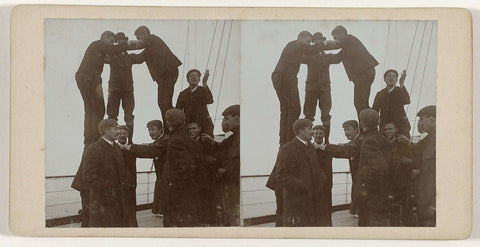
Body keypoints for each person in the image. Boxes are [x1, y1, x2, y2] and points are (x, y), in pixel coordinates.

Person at [272, 31, 340, 146]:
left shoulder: (322, 56)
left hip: (321, 88)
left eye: (310, 42)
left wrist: (344, 44)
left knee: (286, 110)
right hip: (294, 81)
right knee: (296, 110)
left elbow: (338, 57)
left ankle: (284, 141)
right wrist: (326, 43)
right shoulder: (300, 48)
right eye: (309, 42)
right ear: (300, 38)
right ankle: (290, 141)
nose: (309, 44)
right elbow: (310, 51)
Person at [76, 30, 142, 146]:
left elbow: (139, 57)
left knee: (90, 110)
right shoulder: (100, 45)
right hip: (91, 78)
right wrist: (128, 44)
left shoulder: (101, 49)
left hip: (85, 78)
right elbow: (112, 50)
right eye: (112, 41)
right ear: (104, 38)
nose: (112, 44)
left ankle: (89, 140)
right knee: (98, 110)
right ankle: (95, 139)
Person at [275, 118, 328, 226]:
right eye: (310, 129)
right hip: (297, 202)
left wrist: (322, 180)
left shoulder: (311, 148)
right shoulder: (287, 149)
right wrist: (302, 186)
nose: (313, 133)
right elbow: (281, 176)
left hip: (313, 201)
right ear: (300, 131)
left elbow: (317, 169)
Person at [81, 119, 134, 227]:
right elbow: (88, 176)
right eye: (116, 129)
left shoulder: (116, 147)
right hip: (103, 201)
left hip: (119, 200)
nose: (119, 132)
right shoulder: (94, 149)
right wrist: (110, 187)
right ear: (106, 131)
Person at [134, 25, 182, 128]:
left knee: (164, 102)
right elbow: (139, 58)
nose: (138, 40)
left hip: (167, 72)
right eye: (137, 38)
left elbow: (140, 55)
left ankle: (172, 127)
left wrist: (124, 47)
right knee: (163, 102)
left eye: (139, 37)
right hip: (166, 74)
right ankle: (170, 127)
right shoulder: (150, 46)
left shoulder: (153, 40)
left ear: (145, 33)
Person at [118, 120, 169, 216]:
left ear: (161, 130)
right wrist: (147, 144)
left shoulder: (164, 141)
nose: (150, 133)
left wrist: (128, 148)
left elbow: (152, 150)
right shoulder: (162, 140)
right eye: (149, 130)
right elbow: (155, 146)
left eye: (153, 130)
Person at [201, 105, 241, 226]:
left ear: (237, 118)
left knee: (229, 214)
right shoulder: (234, 136)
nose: (224, 122)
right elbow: (224, 150)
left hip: (231, 183)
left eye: (226, 118)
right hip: (229, 182)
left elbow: (233, 158)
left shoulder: (239, 137)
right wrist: (212, 142)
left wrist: (225, 170)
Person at [162, 109, 202, 227]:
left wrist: (173, 184)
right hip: (190, 190)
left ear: (168, 123)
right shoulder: (188, 138)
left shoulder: (176, 140)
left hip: (178, 191)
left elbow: (187, 166)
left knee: (174, 222)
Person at [399, 105, 436, 226]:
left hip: (430, 198)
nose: (420, 123)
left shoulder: (438, 138)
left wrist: (434, 204)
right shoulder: (428, 137)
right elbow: (419, 150)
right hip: (423, 194)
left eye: (422, 119)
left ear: (432, 119)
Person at [105, 32, 145, 144]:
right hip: (114, 89)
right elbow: (102, 55)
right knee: (112, 116)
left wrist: (148, 45)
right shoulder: (110, 55)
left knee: (129, 115)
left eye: (123, 40)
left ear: (125, 41)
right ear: (117, 42)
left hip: (127, 89)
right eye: (119, 40)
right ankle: (111, 141)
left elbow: (142, 57)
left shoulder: (130, 57)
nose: (121, 42)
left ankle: (130, 141)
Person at [331, 25, 379, 117]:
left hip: (364, 72)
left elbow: (336, 45)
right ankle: (365, 123)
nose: (335, 40)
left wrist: (321, 45)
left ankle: (369, 122)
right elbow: (336, 59)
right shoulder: (347, 47)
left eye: (335, 37)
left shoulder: (350, 39)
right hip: (362, 74)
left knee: (361, 101)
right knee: (359, 102)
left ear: (342, 34)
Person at [303, 32, 342, 143]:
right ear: (313, 43)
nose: (319, 42)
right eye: (316, 41)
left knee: (326, 115)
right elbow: (299, 55)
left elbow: (339, 57)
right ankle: (307, 141)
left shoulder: (328, 57)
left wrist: (346, 44)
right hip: (311, 89)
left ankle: (327, 141)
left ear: (324, 42)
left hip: (325, 89)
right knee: (308, 115)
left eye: (321, 40)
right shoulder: (308, 56)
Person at [356, 108, 392, 226]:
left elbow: (379, 167)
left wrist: (364, 182)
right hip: (383, 190)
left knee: (368, 223)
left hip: (371, 193)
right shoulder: (382, 139)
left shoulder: (369, 141)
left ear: (362, 124)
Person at [319, 120, 362, 217]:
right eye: (345, 130)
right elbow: (347, 147)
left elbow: (346, 150)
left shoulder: (358, 142)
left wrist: (325, 147)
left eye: (348, 130)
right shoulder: (356, 141)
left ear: (356, 130)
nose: (346, 133)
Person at [382, 122, 414, 226]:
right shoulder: (384, 143)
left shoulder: (402, 142)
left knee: (405, 206)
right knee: (392, 207)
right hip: (389, 180)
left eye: (390, 129)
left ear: (396, 129)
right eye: (386, 129)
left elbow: (411, 157)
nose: (388, 131)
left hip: (402, 180)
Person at [187, 122, 218, 225]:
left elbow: (213, 157)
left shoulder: (205, 141)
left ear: (199, 129)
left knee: (208, 200)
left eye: (194, 129)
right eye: (190, 129)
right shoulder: (188, 142)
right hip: (195, 177)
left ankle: (211, 222)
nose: (191, 131)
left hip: (206, 176)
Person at [373, 69, 411, 139]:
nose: (391, 78)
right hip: (385, 127)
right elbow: (375, 110)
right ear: (385, 80)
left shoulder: (400, 90)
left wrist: (401, 83)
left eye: (394, 76)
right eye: (389, 76)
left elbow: (407, 100)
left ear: (396, 80)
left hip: (400, 125)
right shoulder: (380, 94)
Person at [176, 69, 214, 137]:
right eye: (192, 76)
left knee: (207, 142)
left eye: (196, 76)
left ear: (199, 79)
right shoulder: (183, 93)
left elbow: (210, 100)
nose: (194, 77)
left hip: (204, 123)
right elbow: (178, 109)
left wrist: (204, 83)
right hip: (190, 124)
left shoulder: (203, 90)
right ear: (187, 79)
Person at [116, 125, 138, 227]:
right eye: (119, 133)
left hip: (130, 184)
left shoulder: (132, 148)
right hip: (118, 185)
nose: (122, 136)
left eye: (124, 133)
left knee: (131, 210)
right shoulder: (113, 148)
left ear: (128, 135)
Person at [312, 125, 334, 226]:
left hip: (326, 183)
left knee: (327, 208)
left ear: (324, 134)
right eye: (316, 133)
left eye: (320, 133)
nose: (318, 135)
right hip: (313, 184)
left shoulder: (329, 148)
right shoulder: (309, 148)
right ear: (312, 134)